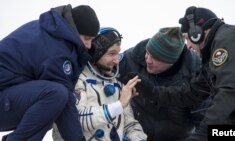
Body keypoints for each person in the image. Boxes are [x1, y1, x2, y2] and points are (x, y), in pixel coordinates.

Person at [0, 4, 100, 141]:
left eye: (92, 40)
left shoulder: (53, 31)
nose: (89, 45)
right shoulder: (57, 50)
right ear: (75, 31)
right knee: (55, 95)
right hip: (4, 97)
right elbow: (65, 100)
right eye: (87, 39)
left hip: (8, 96)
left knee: (51, 108)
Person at [52, 27, 147, 141]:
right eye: (112, 53)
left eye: (117, 53)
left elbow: (129, 124)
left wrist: (139, 138)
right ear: (95, 53)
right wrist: (119, 105)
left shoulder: (117, 81)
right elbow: (77, 120)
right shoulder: (76, 79)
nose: (116, 60)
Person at [178, 6, 235, 140]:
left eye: (187, 38)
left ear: (197, 33)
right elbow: (191, 93)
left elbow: (229, 91)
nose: (187, 46)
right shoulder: (211, 55)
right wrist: (151, 90)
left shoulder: (224, 40)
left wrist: (201, 134)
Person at [118, 27, 201, 141]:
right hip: (138, 136)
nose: (148, 60)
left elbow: (205, 122)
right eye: (148, 52)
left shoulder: (195, 77)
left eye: (156, 58)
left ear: (172, 62)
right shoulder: (133, 59)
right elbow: (101, 65)